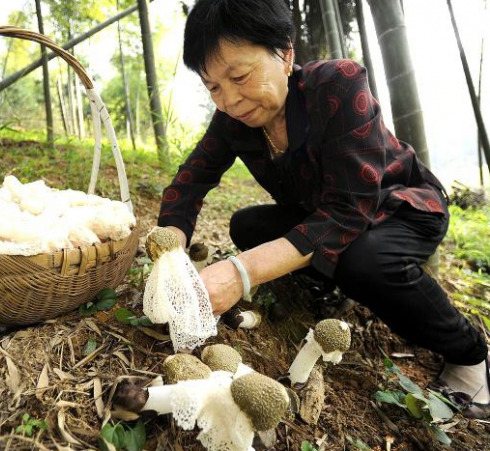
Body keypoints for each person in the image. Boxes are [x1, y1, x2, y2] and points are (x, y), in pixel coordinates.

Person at [156, 0, 489, 418]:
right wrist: (169, 254)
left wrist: (241, 273)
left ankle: (470, 354)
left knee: (363, 260)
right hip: (329, 216)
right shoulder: (232, 122)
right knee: (248, 225)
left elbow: (348, 212)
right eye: (213, 87)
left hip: (402, 207)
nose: (230, 100)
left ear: (286, 53)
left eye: (239, 76)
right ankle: (330, 288)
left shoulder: (338, 84)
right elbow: (190, 182)